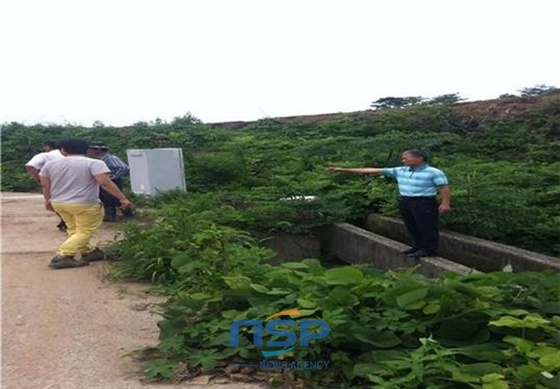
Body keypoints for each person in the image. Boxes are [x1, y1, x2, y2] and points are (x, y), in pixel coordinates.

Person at [327, 150, 451, 258]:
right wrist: (343, 169)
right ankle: (417, 247)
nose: (403, 160)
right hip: (406, 200)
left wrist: (445, 203)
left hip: (424, 202)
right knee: (411, 225)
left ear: (419, 158)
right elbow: (372, 170)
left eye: (405, 158)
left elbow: (443, 187)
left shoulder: (433, 172)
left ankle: (429, 249)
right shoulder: (400, 170)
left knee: (426, 226)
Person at [40, 138, 133, 269]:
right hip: (85, 203)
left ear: (63, 150)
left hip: (59, 203)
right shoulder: (94, 163)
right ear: (86, 150)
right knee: (85, 231)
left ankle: (88, 251)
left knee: (74, 229)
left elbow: (44, 184)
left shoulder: (49, 165)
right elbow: (105, 182)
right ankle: (64, 256)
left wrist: (47, 200)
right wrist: (122, 198)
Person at [25, 140, 67, 231]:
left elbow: (30, 166)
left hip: (52, 181)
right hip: (69, 181)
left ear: (47, 147)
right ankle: (67, 221)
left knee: (53, 202)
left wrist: (38, 179)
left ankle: (66, 221)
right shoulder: (67, 155)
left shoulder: (45, 155)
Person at [88, 141, 134, 222]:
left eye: (92, 149)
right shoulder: (101, 159)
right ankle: (112, 216)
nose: (90, 151)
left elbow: (123, 168)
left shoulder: (110, 158)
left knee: (114, 198)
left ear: (97, 150)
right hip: (108, 182)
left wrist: (112, 177)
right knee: (107, 199)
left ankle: (124, 215)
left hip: (113, 182)